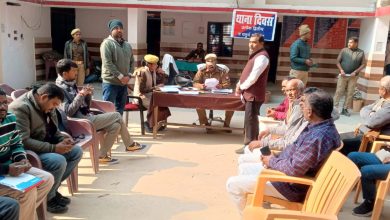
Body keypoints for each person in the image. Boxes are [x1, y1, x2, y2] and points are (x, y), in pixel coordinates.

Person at [226, 88, 340, 213]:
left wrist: (272, 162)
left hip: (289, 186)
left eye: (304, 103)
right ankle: (259, 207)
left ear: (310, 111)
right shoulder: (320, 127)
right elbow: (296, 154)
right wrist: (275, 157)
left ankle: (251, 215)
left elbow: (294, 169)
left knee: (232, 184)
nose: (301, 106)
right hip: (286, 176)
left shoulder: (317, 137)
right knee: (244, 168)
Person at [8, 83, 83, 214]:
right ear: (43, 97)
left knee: (76, 151)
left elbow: (54, 130)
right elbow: (22, 141)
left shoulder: (47, 105)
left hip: (44, 145)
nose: (55, 107)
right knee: (58, 160)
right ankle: (49, 198)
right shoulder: (20, 108)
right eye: (54, 104)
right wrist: (54, 148)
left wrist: (62, 139)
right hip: (28, 151)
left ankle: (52, 191)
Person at [55, 59, 144, 164]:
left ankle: (102, 156)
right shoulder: (59, 89)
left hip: (85, 115)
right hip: (80, 122)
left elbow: (84, 106)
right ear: (65, 74)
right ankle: (130, 144)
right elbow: (68, 111)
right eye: (74, 71)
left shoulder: (70, 83)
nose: (76, 73)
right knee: (116, 115)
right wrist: (80, 95)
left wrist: (87, 95)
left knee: (115, 126)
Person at [0, 88, 54, 218]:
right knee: (27, 193)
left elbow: (16, 143)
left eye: (4, 103)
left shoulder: (10, 118)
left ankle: (20, 214)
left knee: (47, 179)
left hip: (10, 167)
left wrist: (22, 160)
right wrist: (7, 169)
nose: (2, 107)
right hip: (4, 170)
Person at [239, 79, 305, 160]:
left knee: (248, 155)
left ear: (301, 90)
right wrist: (269, 130)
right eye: (287, 90)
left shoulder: (300, 108)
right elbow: (287, 128)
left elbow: (289, 142)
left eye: (292, 90)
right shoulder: (294, 103)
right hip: (286, 144)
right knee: (259, 141)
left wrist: (263, 143)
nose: (289, 93)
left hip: (288, 152)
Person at [235, 33, 270, 154]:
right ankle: (252, 144)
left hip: (254, 95)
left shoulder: (262, 57)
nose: (251, 44)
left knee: (251, 121)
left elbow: (253, 77)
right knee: (250, 120)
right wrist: (239, 85)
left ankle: (249, 146)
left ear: (261, 43)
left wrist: (242, 87)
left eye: (254, 42)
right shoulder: (255, 55)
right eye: (250, 42)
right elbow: (247, 73)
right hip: (249, 93)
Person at [341, 76, 390, 156]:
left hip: (377, 141)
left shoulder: (388, 106)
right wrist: (372, 114)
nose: (378, 90)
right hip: (368, 133)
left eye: (379, 87)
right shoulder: (382, 100)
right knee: (339, 138)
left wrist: (371, 115)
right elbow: (364, 109)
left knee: (342, 142)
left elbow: (371, 122)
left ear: (384, 90)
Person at [100, 19, 134, 115]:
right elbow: (108, 63)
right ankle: (107, 129)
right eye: (116, 28)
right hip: (111, 83)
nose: (119, 30)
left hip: (123, 84)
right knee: (107, 109)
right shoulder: (107, 44)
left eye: (121, 28)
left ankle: (118, 129)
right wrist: (121, 77)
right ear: (111, 30)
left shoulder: (127, 45)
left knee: (120, 110)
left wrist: (129, 76)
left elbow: (132, 62)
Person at [193, 53, 234, 131]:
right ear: (206, 63)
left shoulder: (222, 71)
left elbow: (227, 83)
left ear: (215, 63)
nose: (210, 67)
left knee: (232, 104)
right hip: (205, 94)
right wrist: (201, 86)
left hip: (219, 94)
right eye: (208, 65)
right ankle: (205, 123)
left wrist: (221, 86)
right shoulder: (201, 70)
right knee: (198, 104)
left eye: (212, 65)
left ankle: (226, 124)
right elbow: (195, 82)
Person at [348, 150, 390, 217]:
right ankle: (340, 193)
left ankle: (370, 202)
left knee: (366, 171)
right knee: (352, 156)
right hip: (387, 155)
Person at [132, 54, 167, 132]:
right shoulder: (142, 72)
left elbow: (160, 82)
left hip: (150, 95)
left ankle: (156, 123)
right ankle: (148, 124)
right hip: (140, 97)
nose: (157, 65)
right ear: (149, 65)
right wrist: (155, 88)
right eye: (155, 64)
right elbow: (142, 90)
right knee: (154, 105)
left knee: (163, 103)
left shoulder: (153, 71)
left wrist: (162, 74)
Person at [333, 37, 365, 117]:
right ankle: (334, 109)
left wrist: (356, 72)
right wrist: (341, 70)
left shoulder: (361, 52)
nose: (349, 44)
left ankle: (345, 109)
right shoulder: (344, 50)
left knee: (350, 93)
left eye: (351, 42)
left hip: (353, 76)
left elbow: (363, 64)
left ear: (356, 43)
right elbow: (337, 61)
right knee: (339, 92)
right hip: (343, 75)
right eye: (348, 42)